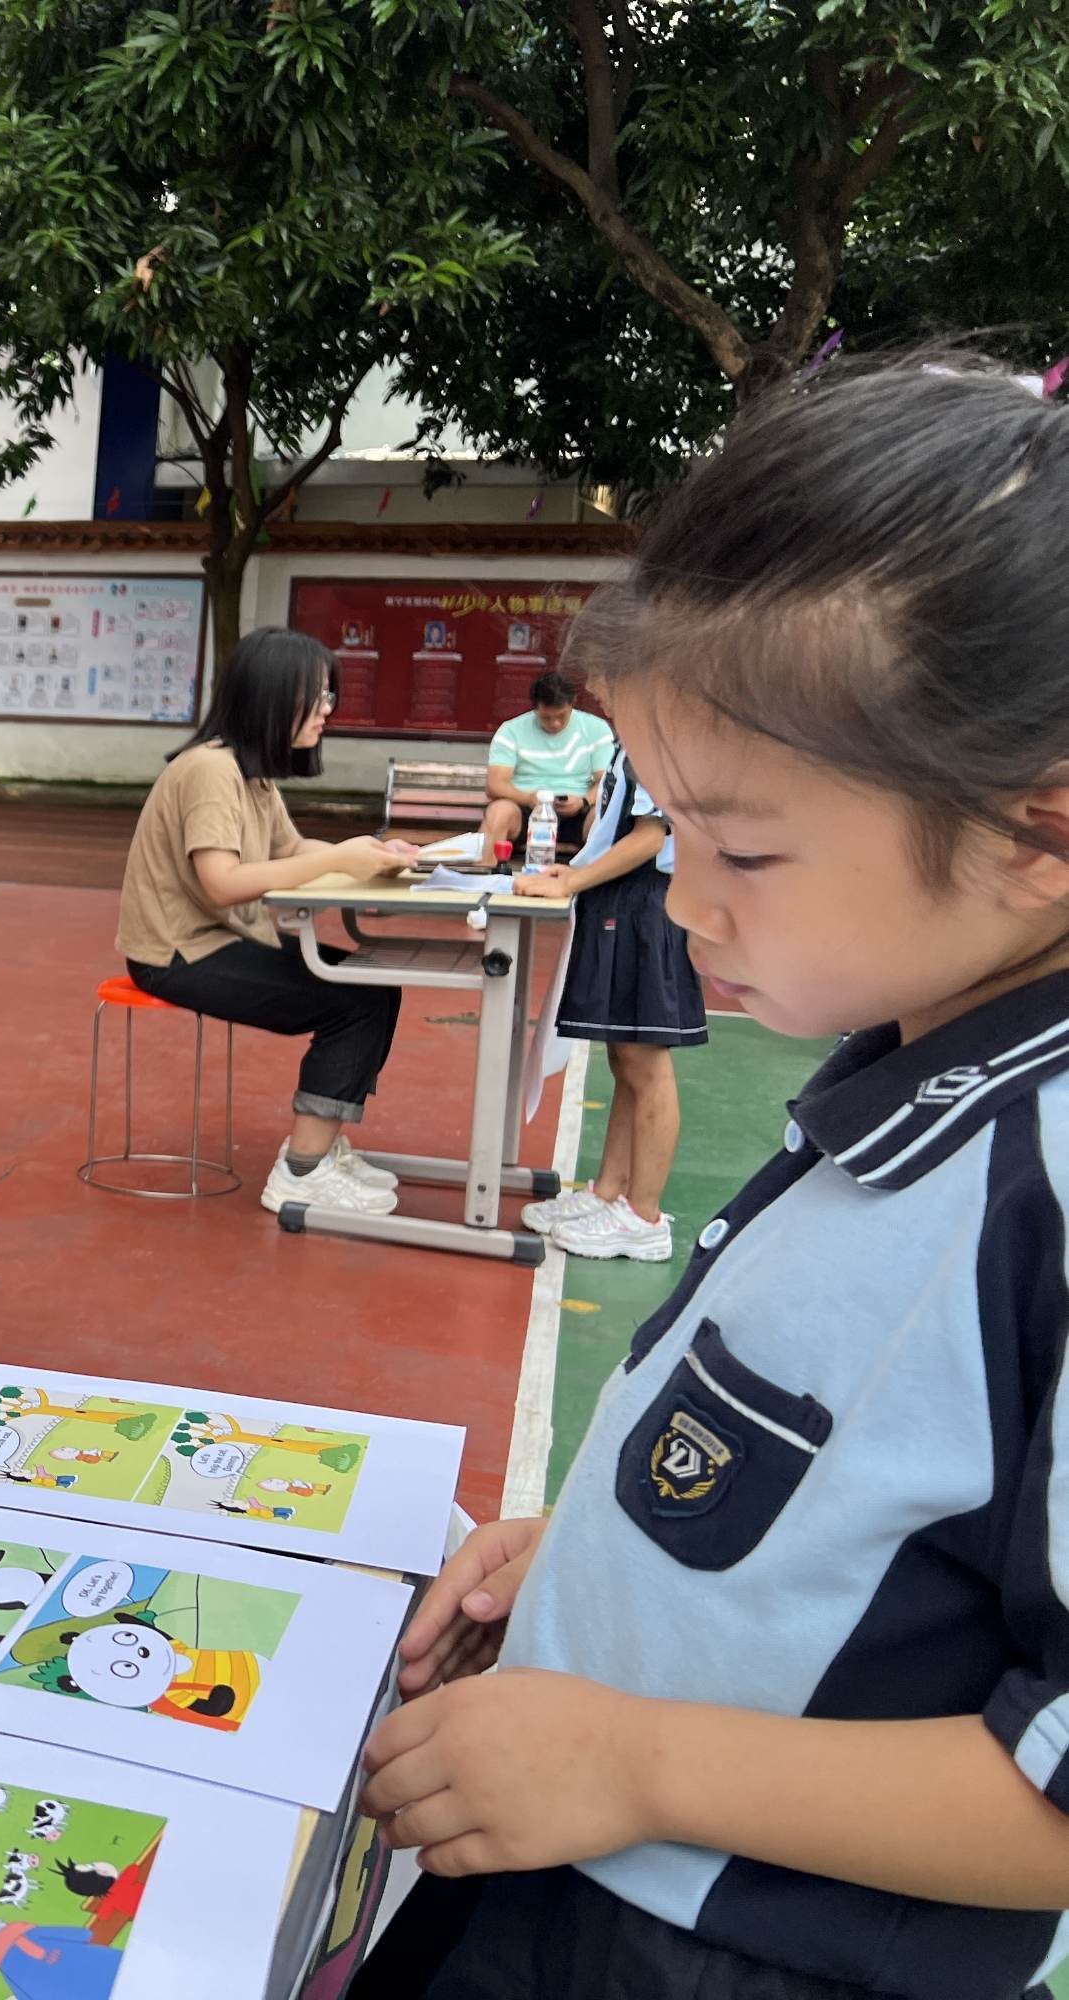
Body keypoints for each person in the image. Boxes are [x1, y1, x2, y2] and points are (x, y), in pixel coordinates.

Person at [353, 361, 1069, 2000]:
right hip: (563, 1866)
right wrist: (605, 1556)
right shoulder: (911, 1068)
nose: (682, 900)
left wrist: (636, 1761)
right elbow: (858, 1497)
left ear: (1035, 837)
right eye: (669, 827)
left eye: (740, 848)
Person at [117, 628, 421, 1214]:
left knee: (373, 984)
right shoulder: (210, 770)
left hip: (218, 940)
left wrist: (372, 852)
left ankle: (320, 1148)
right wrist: (339, 860)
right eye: (318, 696)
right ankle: (302, 1171)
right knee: (355, 1000)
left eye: (329, 696)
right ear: (273, 695)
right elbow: (222, 881)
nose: (327, 710)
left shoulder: (249, 772)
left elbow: (290, 849)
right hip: (176, 954)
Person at [511, 742, 707, 1261]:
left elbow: (650, 837)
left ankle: (644, 1216)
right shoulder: (633, 742)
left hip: (644, 905)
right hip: (622, 898)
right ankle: (609, 1191)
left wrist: (575, 878)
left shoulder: (658, 740)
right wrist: (576, 871)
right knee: (626, 1058)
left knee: (646, 1064)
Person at [481, 669, 616, 857]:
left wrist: (584, 801)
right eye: (546, 717)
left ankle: (604, 876)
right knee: (499, 812)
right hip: (526, 809)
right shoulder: (511, 731)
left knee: (604, 818)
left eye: (562, 716)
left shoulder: (597, 729)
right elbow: (495, 785)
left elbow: (606, 780)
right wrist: (528, 799)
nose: (555, 724)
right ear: (535, 708)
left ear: (572, 703)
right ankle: (484, 872)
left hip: (578, 810)